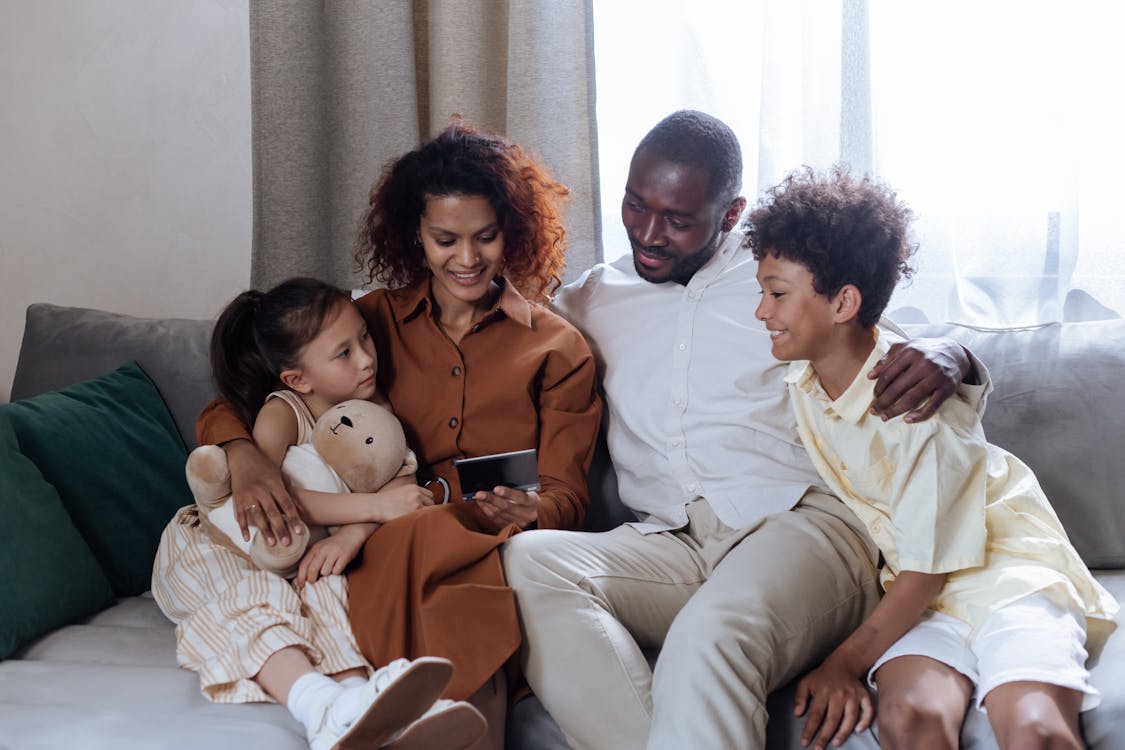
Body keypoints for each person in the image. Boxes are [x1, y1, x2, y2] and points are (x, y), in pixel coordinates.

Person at [501, 110, 987, 750]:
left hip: (800, 528)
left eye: (677, 220)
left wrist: (956, 353)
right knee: (528, 562)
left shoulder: (781, 281)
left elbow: (881, 347)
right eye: (634, 206)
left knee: (708, 638)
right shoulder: (589, 300)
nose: (648, 233)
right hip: (668, 541)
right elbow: (480, 332)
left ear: (730, 214)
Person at [195, 121, 602, 750]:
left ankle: (416, 720)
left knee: (462, 557)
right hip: (386, 537)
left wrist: (531, 508)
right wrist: (246, 456)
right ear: (416, 235)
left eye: (485, 237)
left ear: (512, 233)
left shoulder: (558, 348)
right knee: (441, 554)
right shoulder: (372, 322)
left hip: (489, 531)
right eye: (445, 239)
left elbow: (567, 496)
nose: (466, 260)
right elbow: (243, 400)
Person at [749, 166, 1117, 750]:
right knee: (909, 720)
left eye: (775, 293)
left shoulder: (914, 407)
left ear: (843, 302)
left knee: (1034, 728)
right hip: (922, 592)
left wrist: (844, 662)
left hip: (1006, 573)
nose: (761, 312)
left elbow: (930, 568)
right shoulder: (808, 376)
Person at [152, 277, 487, 750]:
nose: (367, 358)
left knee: (327, 587)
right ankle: (316, 704)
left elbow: (400, 486)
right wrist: (372, 508)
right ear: (298, 378)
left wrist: (352, 535)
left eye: (364, 338)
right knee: (252, 595)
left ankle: (356, 704)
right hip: (222, 542)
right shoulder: (284, 412)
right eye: (343, 353)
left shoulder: (377, 408)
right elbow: (273, 500)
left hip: (304, 550)